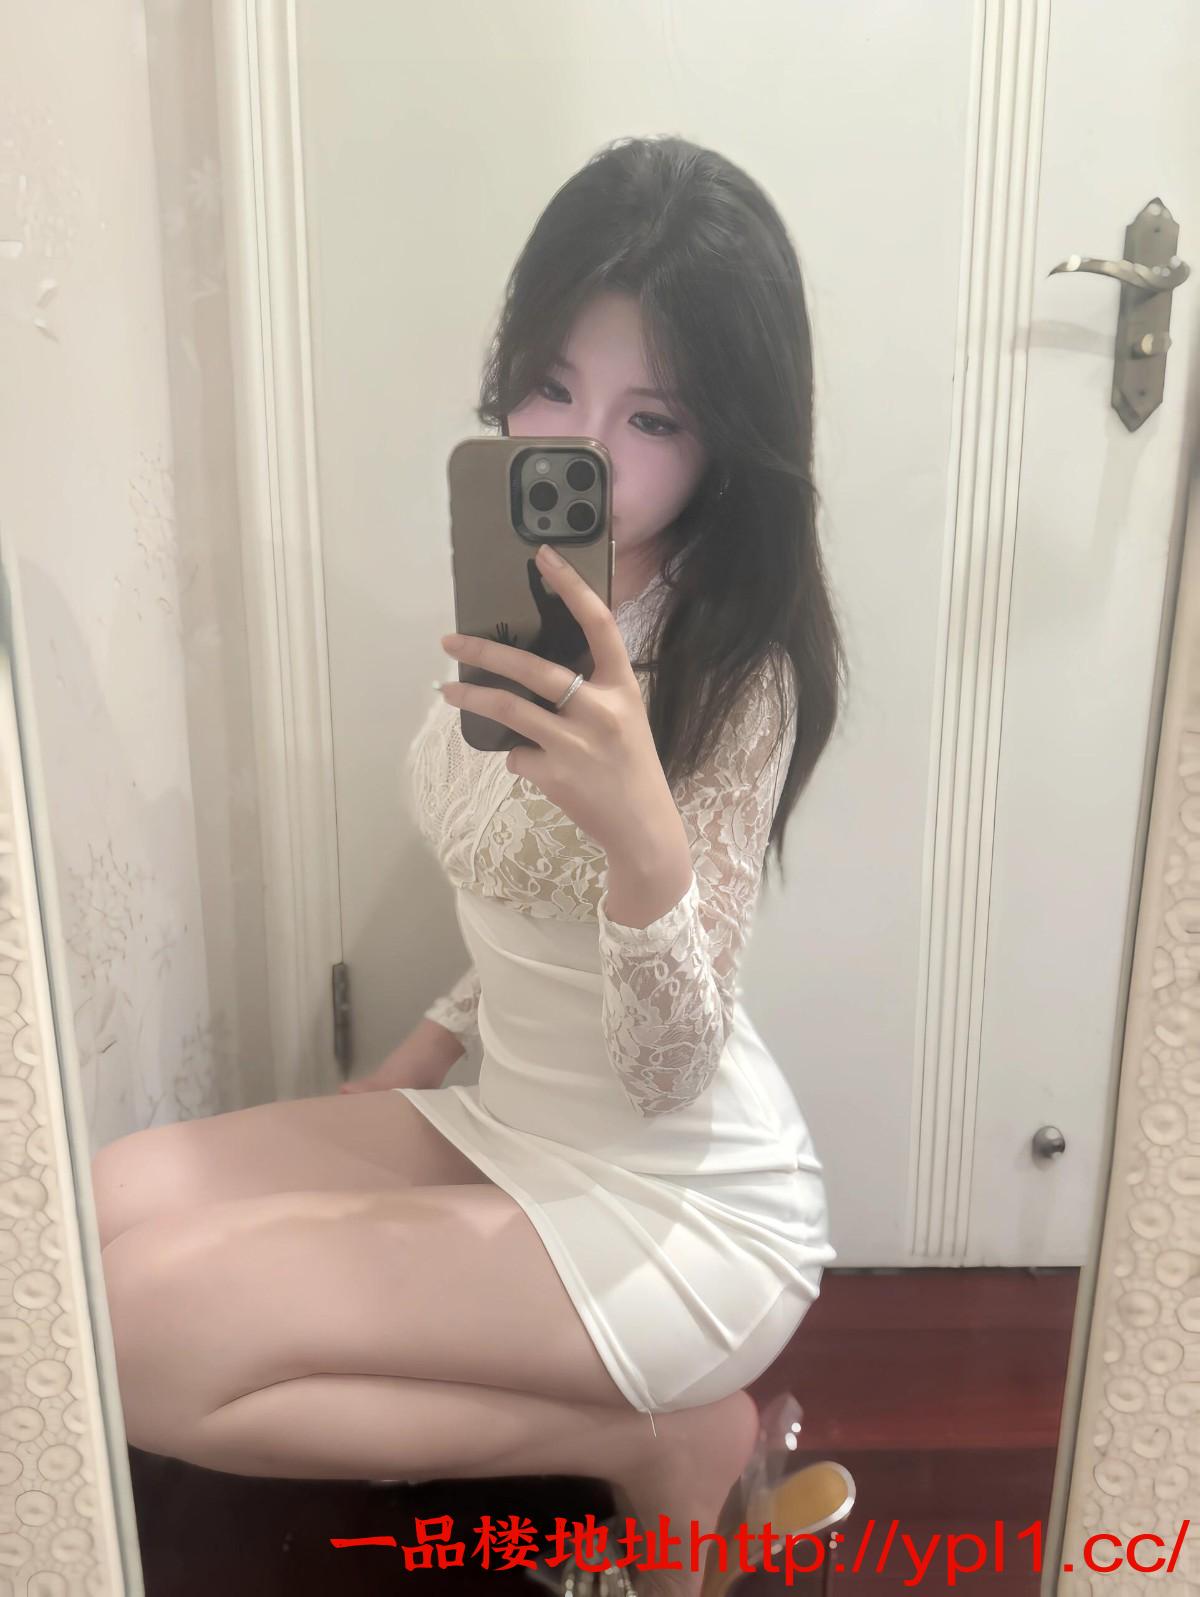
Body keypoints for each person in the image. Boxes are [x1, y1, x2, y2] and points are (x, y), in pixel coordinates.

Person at [93, 135, 848, 1597]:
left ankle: (662, 1445)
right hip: (515, 1119)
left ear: (726, 443)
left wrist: (643, 837)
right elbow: (513, 895)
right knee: (103, 1215)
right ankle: (663, 1440)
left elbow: (671, 1064)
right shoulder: (519, 597)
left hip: (675, 1196)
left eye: (653, 417)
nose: (585, 449)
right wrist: (417, 1058)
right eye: (552, 386)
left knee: (132, 1329)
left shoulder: (732, 671)